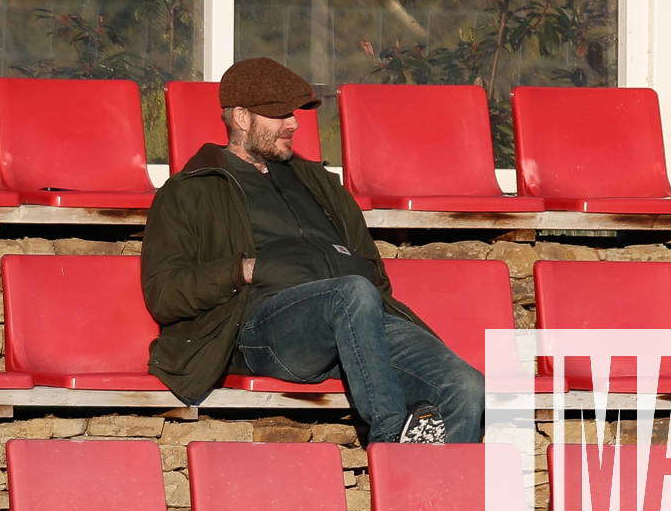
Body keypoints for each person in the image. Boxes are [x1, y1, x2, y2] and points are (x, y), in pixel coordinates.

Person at [141, 57, 483, 443]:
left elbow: (373, 271)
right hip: (262, 328)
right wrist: (246, 269)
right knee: (350, 292)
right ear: (240, 117)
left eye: (294, 113)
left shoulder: (319, 183)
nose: (294, 123)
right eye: (280, 114)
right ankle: (389, 435)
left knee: (467, 389)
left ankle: (440, 501)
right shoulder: (190, 190)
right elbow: (164, 295)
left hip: (357, 318)